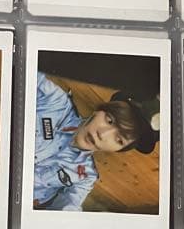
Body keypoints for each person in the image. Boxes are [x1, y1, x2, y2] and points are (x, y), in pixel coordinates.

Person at [33, 71, 158, 211]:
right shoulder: (56, 103)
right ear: (98, 111)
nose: (103, 134)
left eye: (119, 139)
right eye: (109, 120)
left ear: (118, 150)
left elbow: (68, 208)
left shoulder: (86, 177)